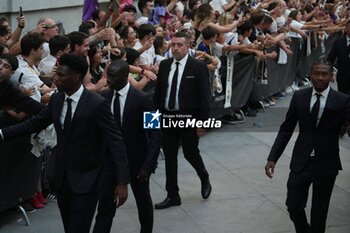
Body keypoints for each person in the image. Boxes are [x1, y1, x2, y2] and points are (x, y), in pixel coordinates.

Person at [0, 54, 130, 233]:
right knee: (70, 227)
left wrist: (122, 181)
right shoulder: (57, 99)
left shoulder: (97, 104)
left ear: (76, 77)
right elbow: (35, 123)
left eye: (61, 75)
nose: (55, 78)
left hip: (88, 179)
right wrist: (2, 133)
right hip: (62, 178)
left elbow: (116, 142)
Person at [265, 59, 350, 233]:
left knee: (319, 212)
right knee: (293, 205)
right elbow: (286, 129)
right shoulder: (299, 96)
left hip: (326, 163)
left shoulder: (342, 100)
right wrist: (273, 157)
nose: (320, 78)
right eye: (316, 74)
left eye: (324, 74)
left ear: (331, 77)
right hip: (301, 160)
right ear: (310, 75)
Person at [93, 59, 161, 233]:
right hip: (110, 162)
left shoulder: (143, 99)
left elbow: (155, 135)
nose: (108, 80)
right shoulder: (104, 98)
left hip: (137, 163)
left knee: (143, 201)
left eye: (113, 77)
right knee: (105, 206)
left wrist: (148, 166)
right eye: (108, 76)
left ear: (125, 77)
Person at [153, 32, 211, 209]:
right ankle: (172, 195)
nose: (176, 48)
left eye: (179, 45)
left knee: (190, 152)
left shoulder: (198, 67)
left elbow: (205, 97)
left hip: (189, 118)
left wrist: (203, 123)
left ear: (188, 46)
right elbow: (158, 96)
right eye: (173, 45)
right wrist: (153, 121)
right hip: (168, 117)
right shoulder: (164, 65)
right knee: (170, 156)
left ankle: (204, 177)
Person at [327, 20, 350, 95]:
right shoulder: (339, 43)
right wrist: (329, 73)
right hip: (343, 77)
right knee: (343, 99)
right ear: (346, 29)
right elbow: (330, 59)